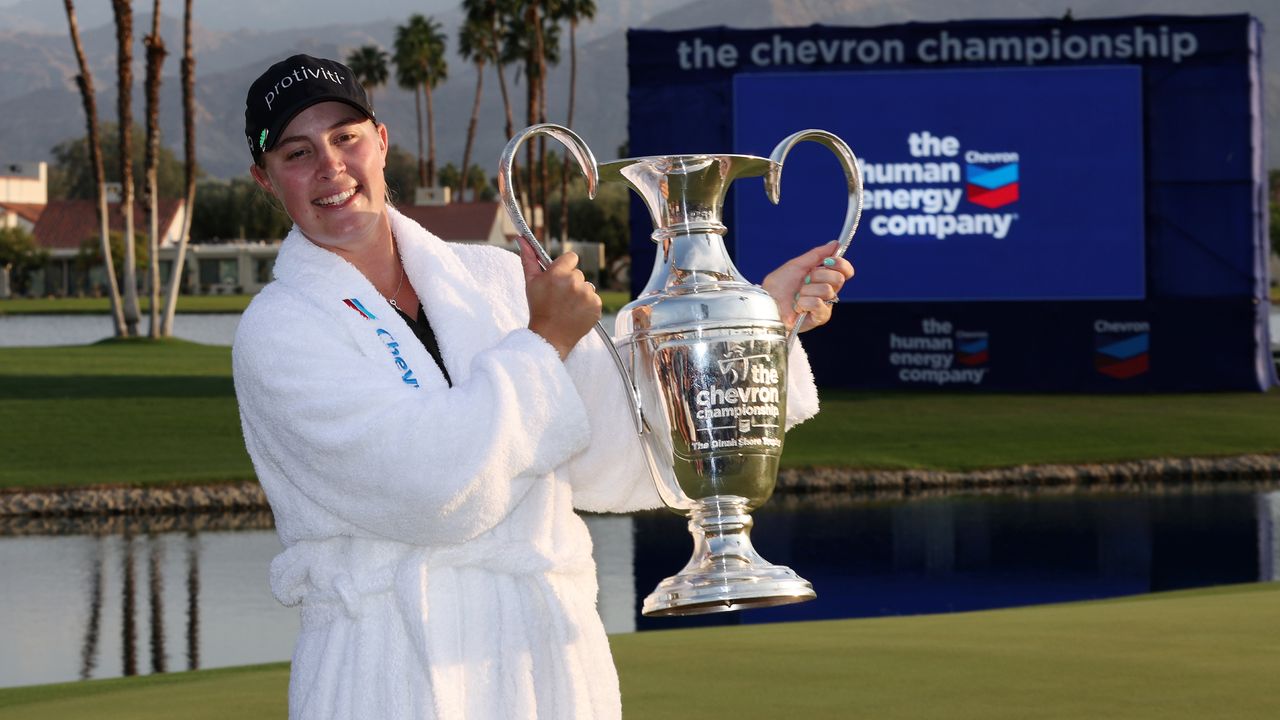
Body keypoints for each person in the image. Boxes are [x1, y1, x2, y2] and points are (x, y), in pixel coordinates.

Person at [232, 54, 854, 720]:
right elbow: (431, 491)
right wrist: (545, 342)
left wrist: (756, 328)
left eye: (345, 137)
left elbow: (627, 462)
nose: (330, 167)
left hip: (546, 669)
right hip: (389, 678)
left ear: (381, 143)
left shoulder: (497, 281)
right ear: (266, 180)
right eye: (297, 153)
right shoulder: (280, 332)